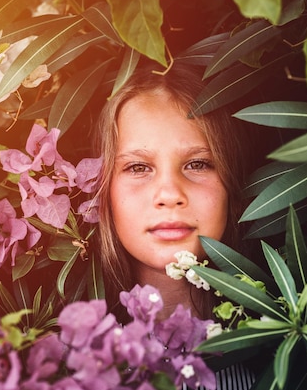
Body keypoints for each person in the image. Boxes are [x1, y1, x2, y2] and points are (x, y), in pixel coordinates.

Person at [94, 63, 256, 389]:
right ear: (104, 190)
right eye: (138, 167)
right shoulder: (61, 366)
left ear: (230, 184)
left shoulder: (294, 359)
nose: (170, 194)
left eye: (198, 164)